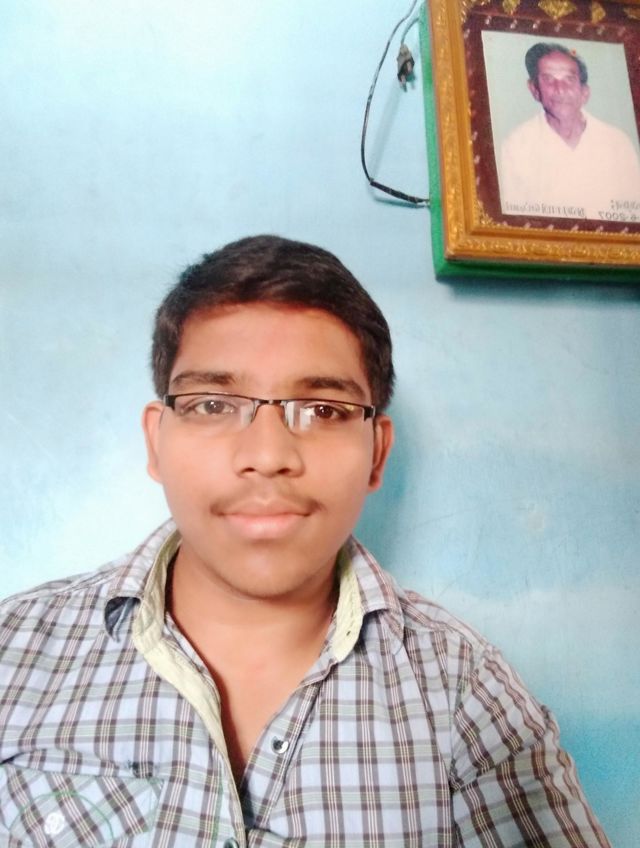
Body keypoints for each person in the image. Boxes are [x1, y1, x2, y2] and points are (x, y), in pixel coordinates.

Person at [0, 235, 610, 846]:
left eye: (322, 410)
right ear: (157, 442)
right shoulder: (13, 654)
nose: (268, 455)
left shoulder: (467, 693)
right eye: (213, 404)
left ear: (377, 453)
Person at [499, 42, 640, 221]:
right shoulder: (515, 147)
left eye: (569, 79)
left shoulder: (617, 144)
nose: (560, 89)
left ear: (585, 92)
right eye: (549, 79)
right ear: (534, 90)